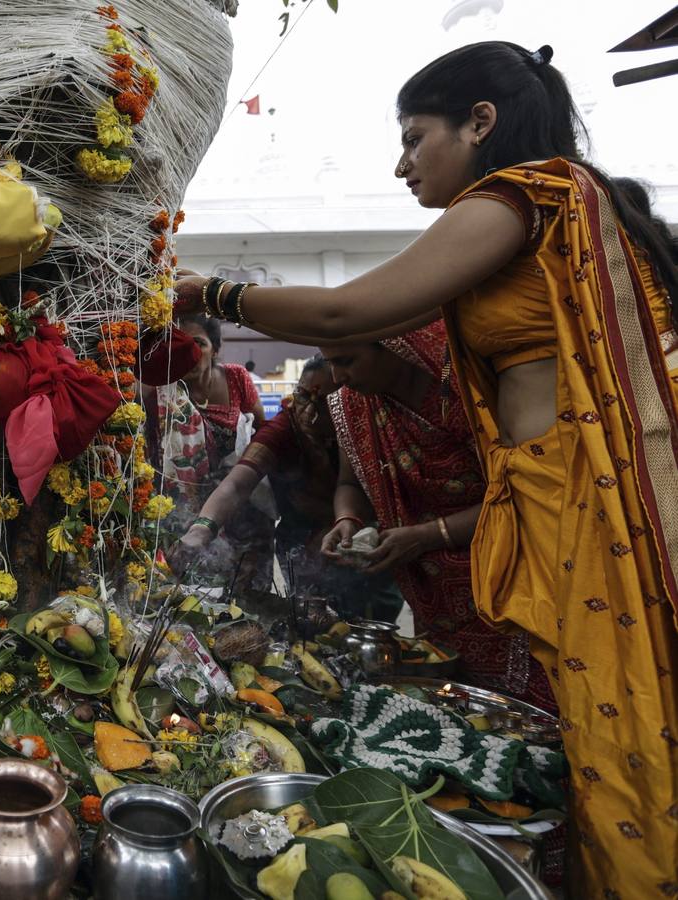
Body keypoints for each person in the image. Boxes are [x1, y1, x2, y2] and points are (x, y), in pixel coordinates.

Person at [174, 41, 677, 895]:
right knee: (592, 734)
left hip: (584, 506)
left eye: (414, 137)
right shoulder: (545, 206)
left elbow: (345, 308)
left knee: (617, 738)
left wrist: (211, 294)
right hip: (550, 498)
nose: (402, 162)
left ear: (479, 123)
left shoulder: (522, 193)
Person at [318, 324, 554, 709]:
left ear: (395, 345)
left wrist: (430, 535)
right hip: (433, 591)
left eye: (346, 361)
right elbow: (350, 484)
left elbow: (528, 495)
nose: (337, 377)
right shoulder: (352, 405)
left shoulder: (469, 395)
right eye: (330, 364)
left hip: (513, 572)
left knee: (533, 707)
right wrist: (348, 520)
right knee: (456, 701)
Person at [171, 355, 404, 621]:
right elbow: (237, 483)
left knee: (371, 625)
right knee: (309, 622)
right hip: (303, 544)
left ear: (347, 402)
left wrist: (348, 529)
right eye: (303, 395)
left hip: (368, 541)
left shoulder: (370, 427)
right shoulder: (286, 425)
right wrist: (201, 530)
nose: (308, 410)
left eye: (324, 401)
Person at [145, 314, 273, 587]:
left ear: (215, 349)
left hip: (238, 503)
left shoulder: (236, 378)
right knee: (191, 586)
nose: (189, 351)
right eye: (179, 344)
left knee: (246, 589)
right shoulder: (161, 389)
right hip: (180, 508)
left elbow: (264, 432)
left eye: (198, 343)